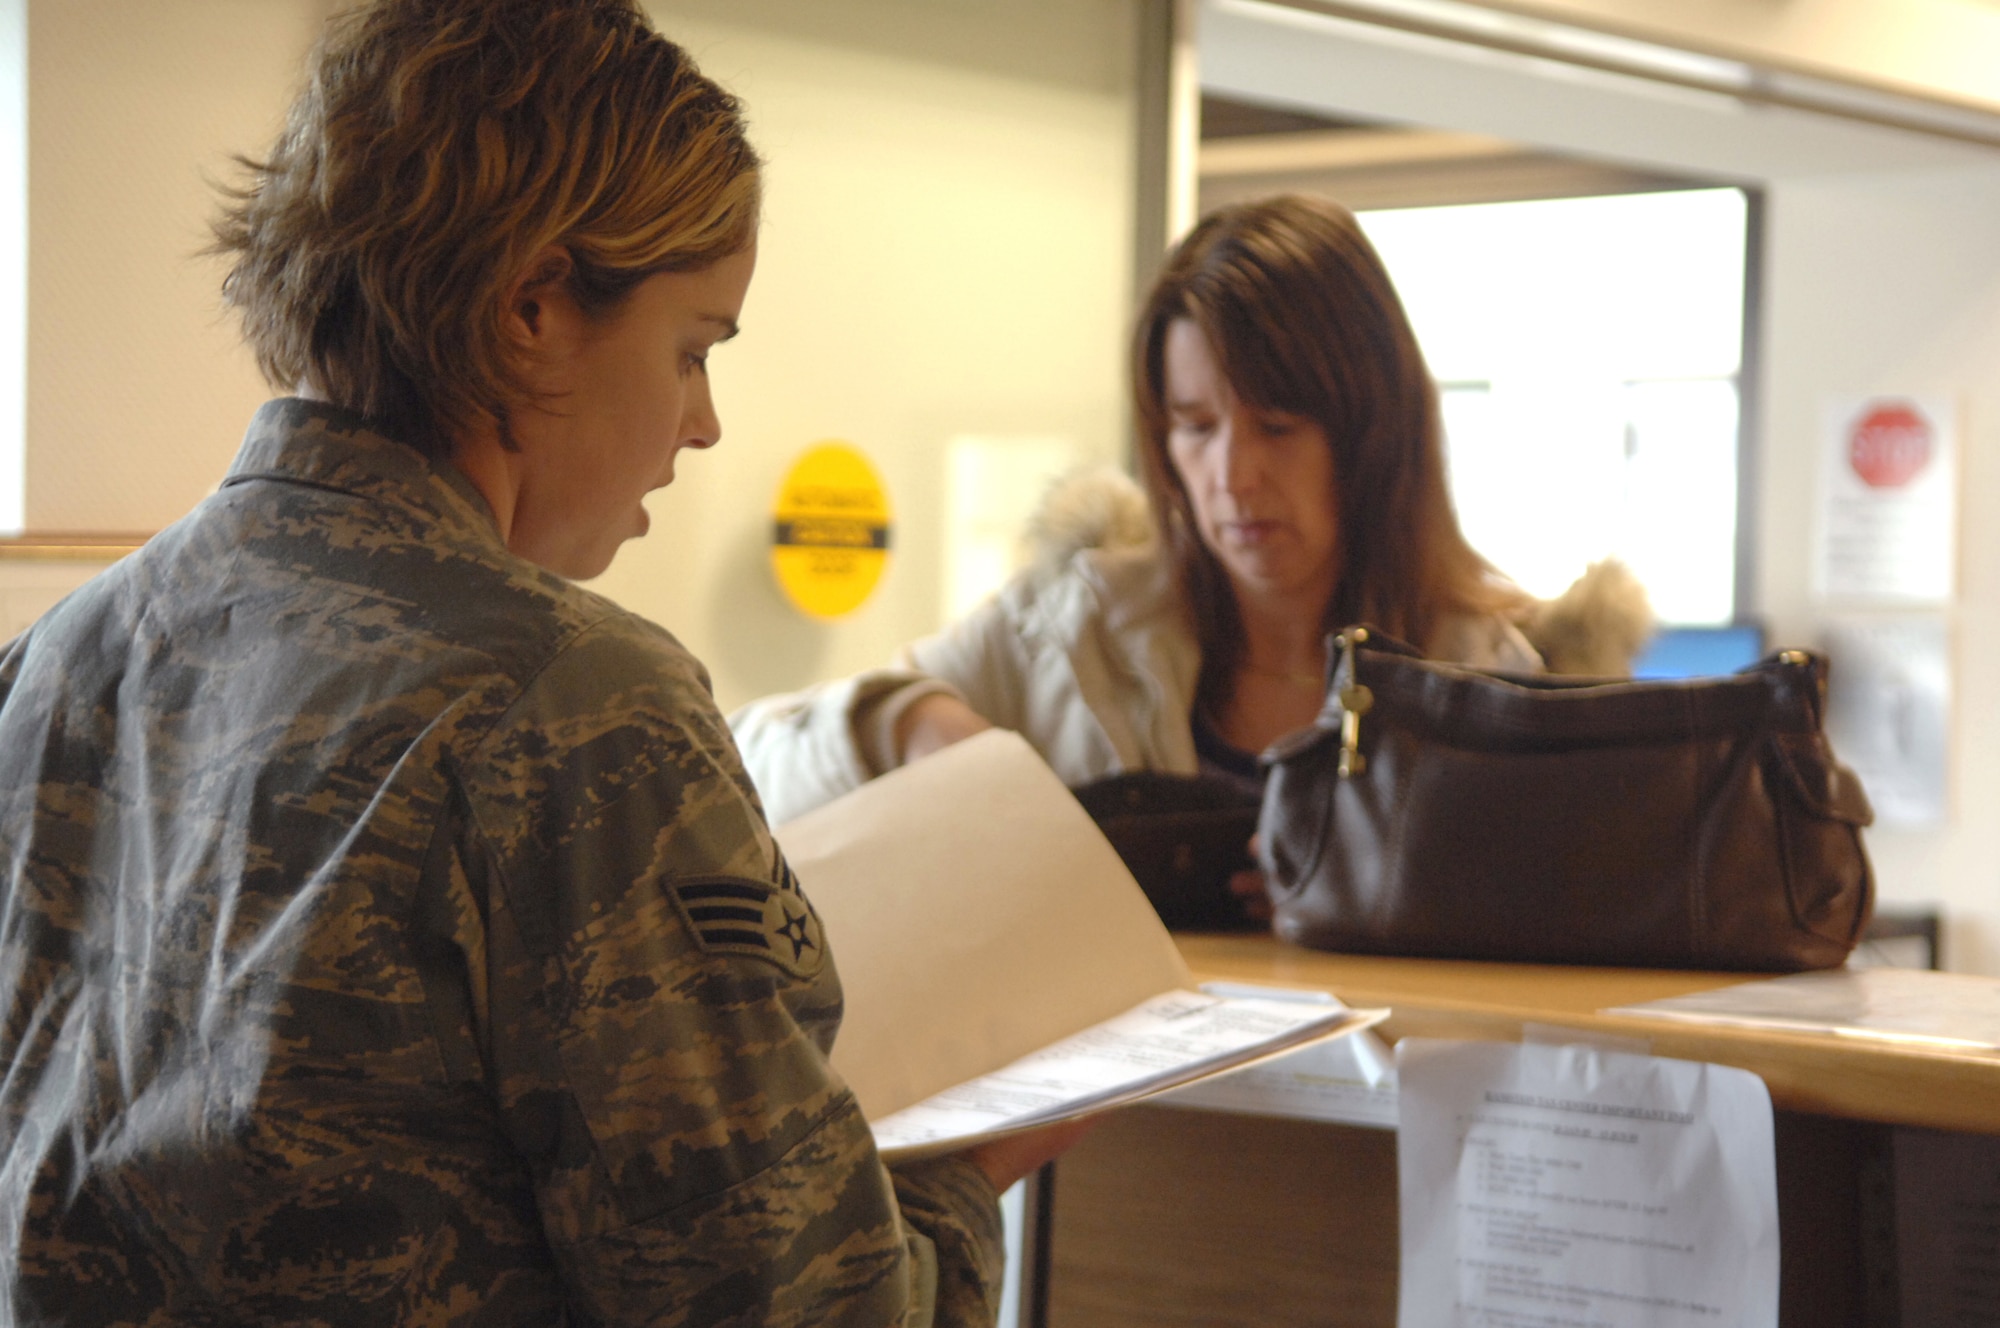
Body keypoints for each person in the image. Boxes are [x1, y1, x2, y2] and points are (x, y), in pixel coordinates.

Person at [0, 2, 1076, 1323]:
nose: (703, 423)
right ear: (533, 309)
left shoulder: (52, 665)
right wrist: (972, 1186)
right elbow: (794, 1303)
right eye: (691, 348)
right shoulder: (572, 706)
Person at [733, 194, 1541, 828]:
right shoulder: (1073, 627)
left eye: (1277, 426)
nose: (1232, 475)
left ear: (1372, 429)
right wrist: (901, 724)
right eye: (1195, 426)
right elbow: (744, 763)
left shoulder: (1488, 682)